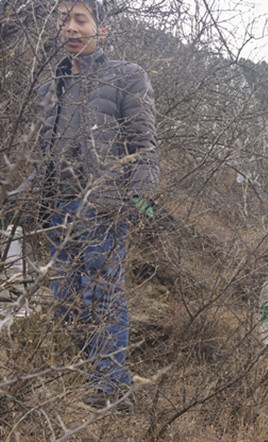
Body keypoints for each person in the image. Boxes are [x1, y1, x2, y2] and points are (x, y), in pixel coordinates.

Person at [13, 0, 158, 410]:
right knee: (64, 302)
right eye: (64, 20)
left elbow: (145, 144)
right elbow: (44, 155)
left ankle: (109, 385)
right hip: (57, 208)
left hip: (103, 205)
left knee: (101, 294)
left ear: (102, 29)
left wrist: (140, 196)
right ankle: (101, 374)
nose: (70, 28)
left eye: (80, 19)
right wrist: (19, 199)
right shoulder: (51, 85)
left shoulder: (127, 76)